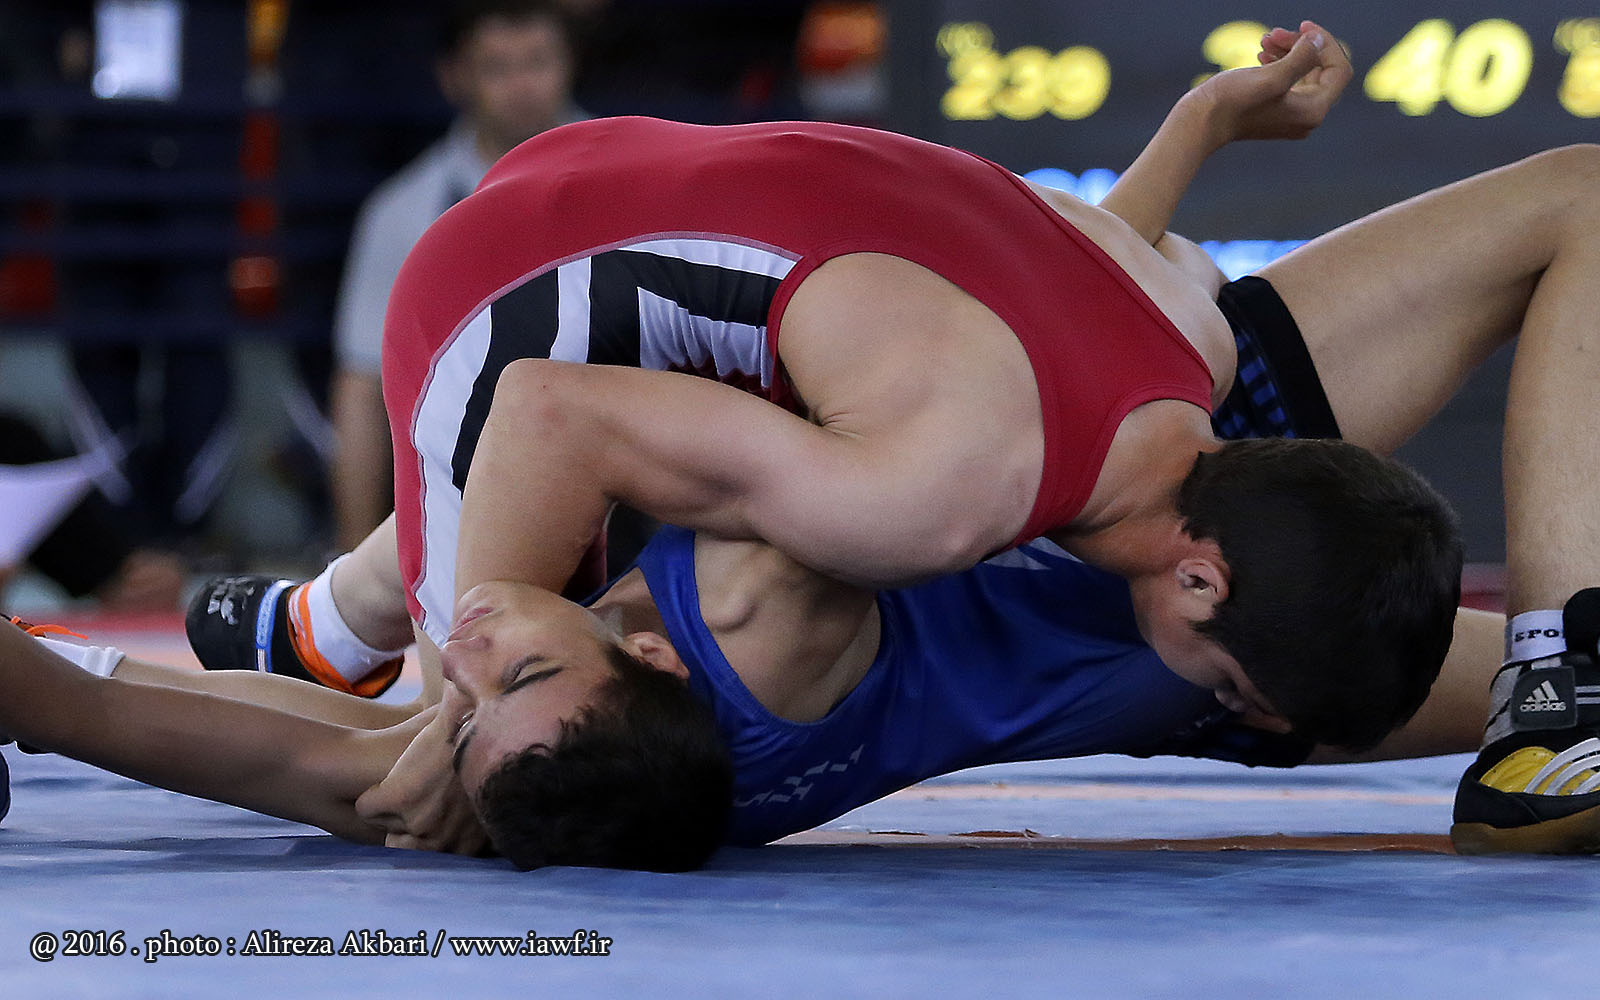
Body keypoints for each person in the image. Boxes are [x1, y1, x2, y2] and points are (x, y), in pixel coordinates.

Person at [188, 20, 1597, 859]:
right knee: (458, 779)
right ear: (1202, 575)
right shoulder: (938, 496)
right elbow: (553, 413)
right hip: (509, 292)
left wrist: (1200, 123)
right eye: (1232, 686)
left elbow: (1090, 258)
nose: (1226, 701)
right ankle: (355, 623)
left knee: (738, 449)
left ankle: (329, 613)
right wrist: (467, 693)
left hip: (658, 195)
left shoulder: (1184, 344)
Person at [329, 0, 584, 551]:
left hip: (626, 480)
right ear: (454, 78)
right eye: (498, 67)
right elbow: (362, 387)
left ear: (569, 63)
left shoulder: (634, 177)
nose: (523, 86)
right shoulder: (403, 212)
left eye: (538, 61)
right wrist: (354, 556)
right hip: (461, 493)